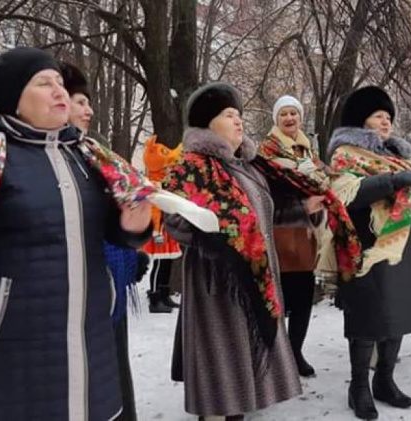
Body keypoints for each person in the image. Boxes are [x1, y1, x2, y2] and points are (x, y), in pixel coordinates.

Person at [0, 47, 153, 420]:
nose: (60, 92)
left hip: (90, 330)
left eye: (60, 84)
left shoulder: (88, 156)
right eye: (44, 84)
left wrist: (134, 223)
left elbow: (115, 233)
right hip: (16, 335)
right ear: (14, 98)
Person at [163, 82, 302, 420]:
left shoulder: (248, 168)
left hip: (255, 281)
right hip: (216, 287)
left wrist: (306, 209)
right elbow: (173, 218)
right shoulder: (192, 166)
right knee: (219, 372)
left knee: (242, 373)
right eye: (229, 115)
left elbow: (264, 215)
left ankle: (236, 410)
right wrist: (211, 234)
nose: (239, 121)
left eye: (239, 115)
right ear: (209, 123)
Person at [327, 86, 411, 419]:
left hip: (399, 247)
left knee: (397, 315)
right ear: (361, 119)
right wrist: (393, 182)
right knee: (367, 319)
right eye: (379, 115)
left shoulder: (396, 157)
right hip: (365, 245)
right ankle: (359, 388)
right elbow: (345, 196)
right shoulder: (345, 154)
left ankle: (385, 380)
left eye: (389, 117)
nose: (386, 121)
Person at [61, 60, 140, 421]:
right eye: (79, 101)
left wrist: (134, 246)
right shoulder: (44, 159)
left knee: (114, 372)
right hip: (75, 292)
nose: (88, 109)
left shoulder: (97, 151)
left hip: (112, 282)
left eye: (88, 101)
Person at [261, 95, 323, 377]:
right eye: (283, 114)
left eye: (293, 113)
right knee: (277, 301)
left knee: (302, 300)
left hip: (304, 238)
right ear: (276, 119)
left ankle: (295, 351)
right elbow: (264, 201)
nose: (289, 118)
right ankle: (276, 355)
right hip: (276, 238)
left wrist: (317, 206)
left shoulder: (308, 153)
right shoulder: (265, 154)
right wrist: (301, 207)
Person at [140, 135, 184, 313]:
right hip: (159, 229)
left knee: (167, 263)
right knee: (159, 264)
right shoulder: (153, 184)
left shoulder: (162, 181)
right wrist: (156, 231)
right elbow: (154, 210)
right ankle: (155, 297)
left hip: (165, 228)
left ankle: (164, 294)